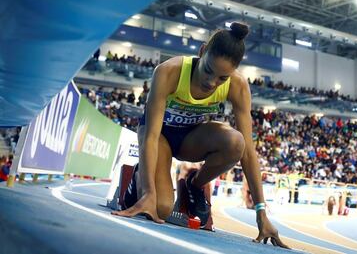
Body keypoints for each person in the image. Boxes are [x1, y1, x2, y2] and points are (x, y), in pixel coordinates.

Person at [111, 22, 289, 248]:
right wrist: (148, 191)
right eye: (208, 71)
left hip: (190, 139)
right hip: (159, 137)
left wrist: (261, 213)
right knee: (161, 208)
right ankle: (138, 175)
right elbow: (151, 136)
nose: (212, 83)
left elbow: (249, 155)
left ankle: (194, 186)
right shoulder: (168, 72)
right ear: (202, 52)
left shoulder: (238, 86)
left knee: (237, 143)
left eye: (222, 78)